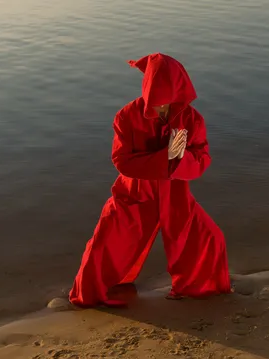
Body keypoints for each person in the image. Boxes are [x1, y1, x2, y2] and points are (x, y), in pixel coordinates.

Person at [69, 53, 232, 307]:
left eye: (168, 102)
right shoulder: (126, 116)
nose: (162, 109)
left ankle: (196, 289)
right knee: (105, 243)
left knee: (210, 238)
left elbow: (202, 159)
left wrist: (180, 159)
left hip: (174, 193)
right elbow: (122, 161)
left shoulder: (191, 118)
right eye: (157, 103)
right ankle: (93, 294)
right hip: (135, 193)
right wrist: (164, 157)